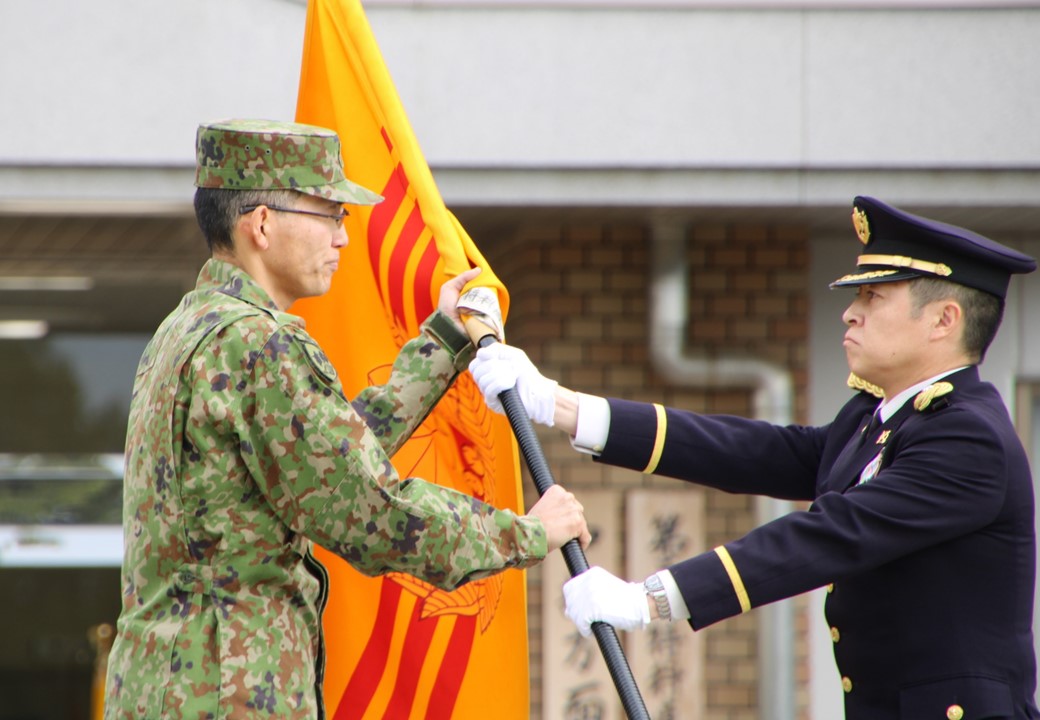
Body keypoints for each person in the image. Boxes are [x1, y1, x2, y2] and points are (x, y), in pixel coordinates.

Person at [469, 196, 1040, 720]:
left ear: (945, 320)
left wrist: (650, 599)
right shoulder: (883, 417)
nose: (850, 313)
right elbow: (761, 452)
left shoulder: (968, 438)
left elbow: (834, 533)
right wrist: (565, 407)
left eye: (874, 296)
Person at [103, 119, 590, 719]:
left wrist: (441, 342)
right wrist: (527, 532)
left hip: (169, 686)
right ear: (262, 223)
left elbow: (323, 462)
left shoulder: (187, 329)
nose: (342, 239)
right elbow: (368, 510)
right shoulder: (258, 343)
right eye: (330, 214)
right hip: (228, 692)